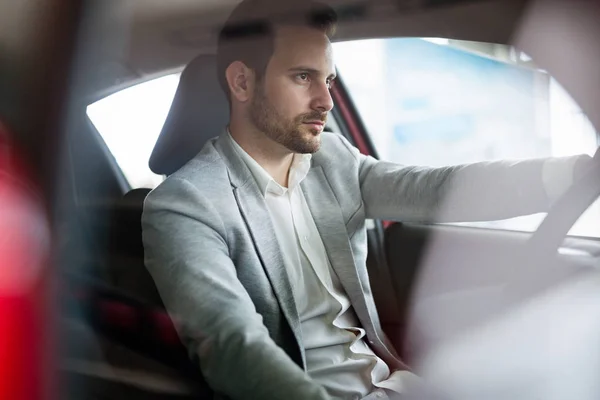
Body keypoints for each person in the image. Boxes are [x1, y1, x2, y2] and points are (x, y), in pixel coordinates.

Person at [141, 0, 593, 399]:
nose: (326, 101)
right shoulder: (184, 206)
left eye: (329, 80)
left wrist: (575, 174)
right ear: (241, 82)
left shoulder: (332, 159)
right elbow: (233, 346)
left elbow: (437, 189)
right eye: (303, 77)